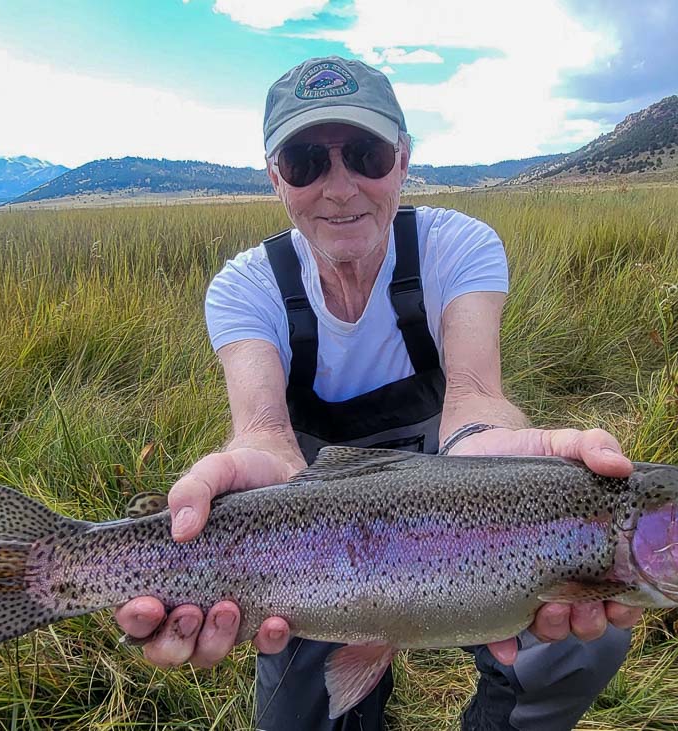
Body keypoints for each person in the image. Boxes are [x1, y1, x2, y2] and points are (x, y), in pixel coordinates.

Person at [115, 55, 642, 730]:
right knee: (295, 720)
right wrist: (255, 467)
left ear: (402, 158)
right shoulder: (246, 286)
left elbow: (475, 399)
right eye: (307, 162)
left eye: (364, 154)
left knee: (578, 638)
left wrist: (491, 441)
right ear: (276, 177)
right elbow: (264, 435)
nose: (340, 188)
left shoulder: (458, 248)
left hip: (453, 509)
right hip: (308, 535)